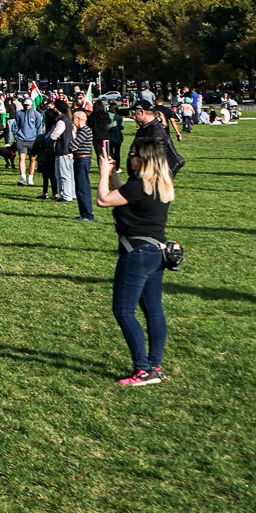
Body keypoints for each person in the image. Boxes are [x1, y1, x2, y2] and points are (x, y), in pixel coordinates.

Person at [95, 135, 175, 386]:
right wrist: (112, 174)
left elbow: (104, 200)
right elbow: (124, 195)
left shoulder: (138, 185)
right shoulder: (159, 183)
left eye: (133, 155)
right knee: (153, 311)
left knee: (123, 310)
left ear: (144, 159)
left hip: (136, 254)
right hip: (156, 252)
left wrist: (102, 173)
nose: (130, 158)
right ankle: (155, 366)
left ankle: (141, 369)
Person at [69, 106, 97, 223]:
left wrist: (73, 145)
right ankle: (84, 213)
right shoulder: (83, 131)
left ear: (79, 120)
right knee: (80, 187)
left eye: (74, 119)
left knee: (82, 187)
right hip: (80, 159)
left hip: (82, 160)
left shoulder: (85, 131)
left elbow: (72, 145)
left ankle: (87, 214)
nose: (73, 121)